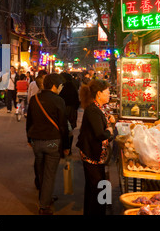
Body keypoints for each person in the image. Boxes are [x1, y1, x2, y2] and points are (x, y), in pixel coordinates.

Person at [26, 73, 70, 215]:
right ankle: (44, 206)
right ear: (54, 86)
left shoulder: (34, 99)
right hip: (52, 143)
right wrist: (66, 146)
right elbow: (63, 126)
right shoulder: (59, 101)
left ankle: (45, 196)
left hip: (36, 142)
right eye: (60, 86)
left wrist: (29, 139)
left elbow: (29, 122)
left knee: (41, 170)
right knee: (49, 174)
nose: (61, 89)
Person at [76, 79, 115, 216]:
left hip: (96, 154)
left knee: (95, 186)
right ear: (99, 93)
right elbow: (100, 134)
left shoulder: (98, 108)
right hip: (92, 154)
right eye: (107, 91)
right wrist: (111, 131)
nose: (109, 94)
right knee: (96, 187)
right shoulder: (93, 110)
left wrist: (108, 120)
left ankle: (94, 211)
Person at [59, 72, 81, 153]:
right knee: (70, 131)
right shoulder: (73, 87)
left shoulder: (61, 87)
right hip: (72, 111)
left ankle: (63, 148)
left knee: (62, 130)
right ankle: (69, 148)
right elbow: (77, 101)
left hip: (64, 111)